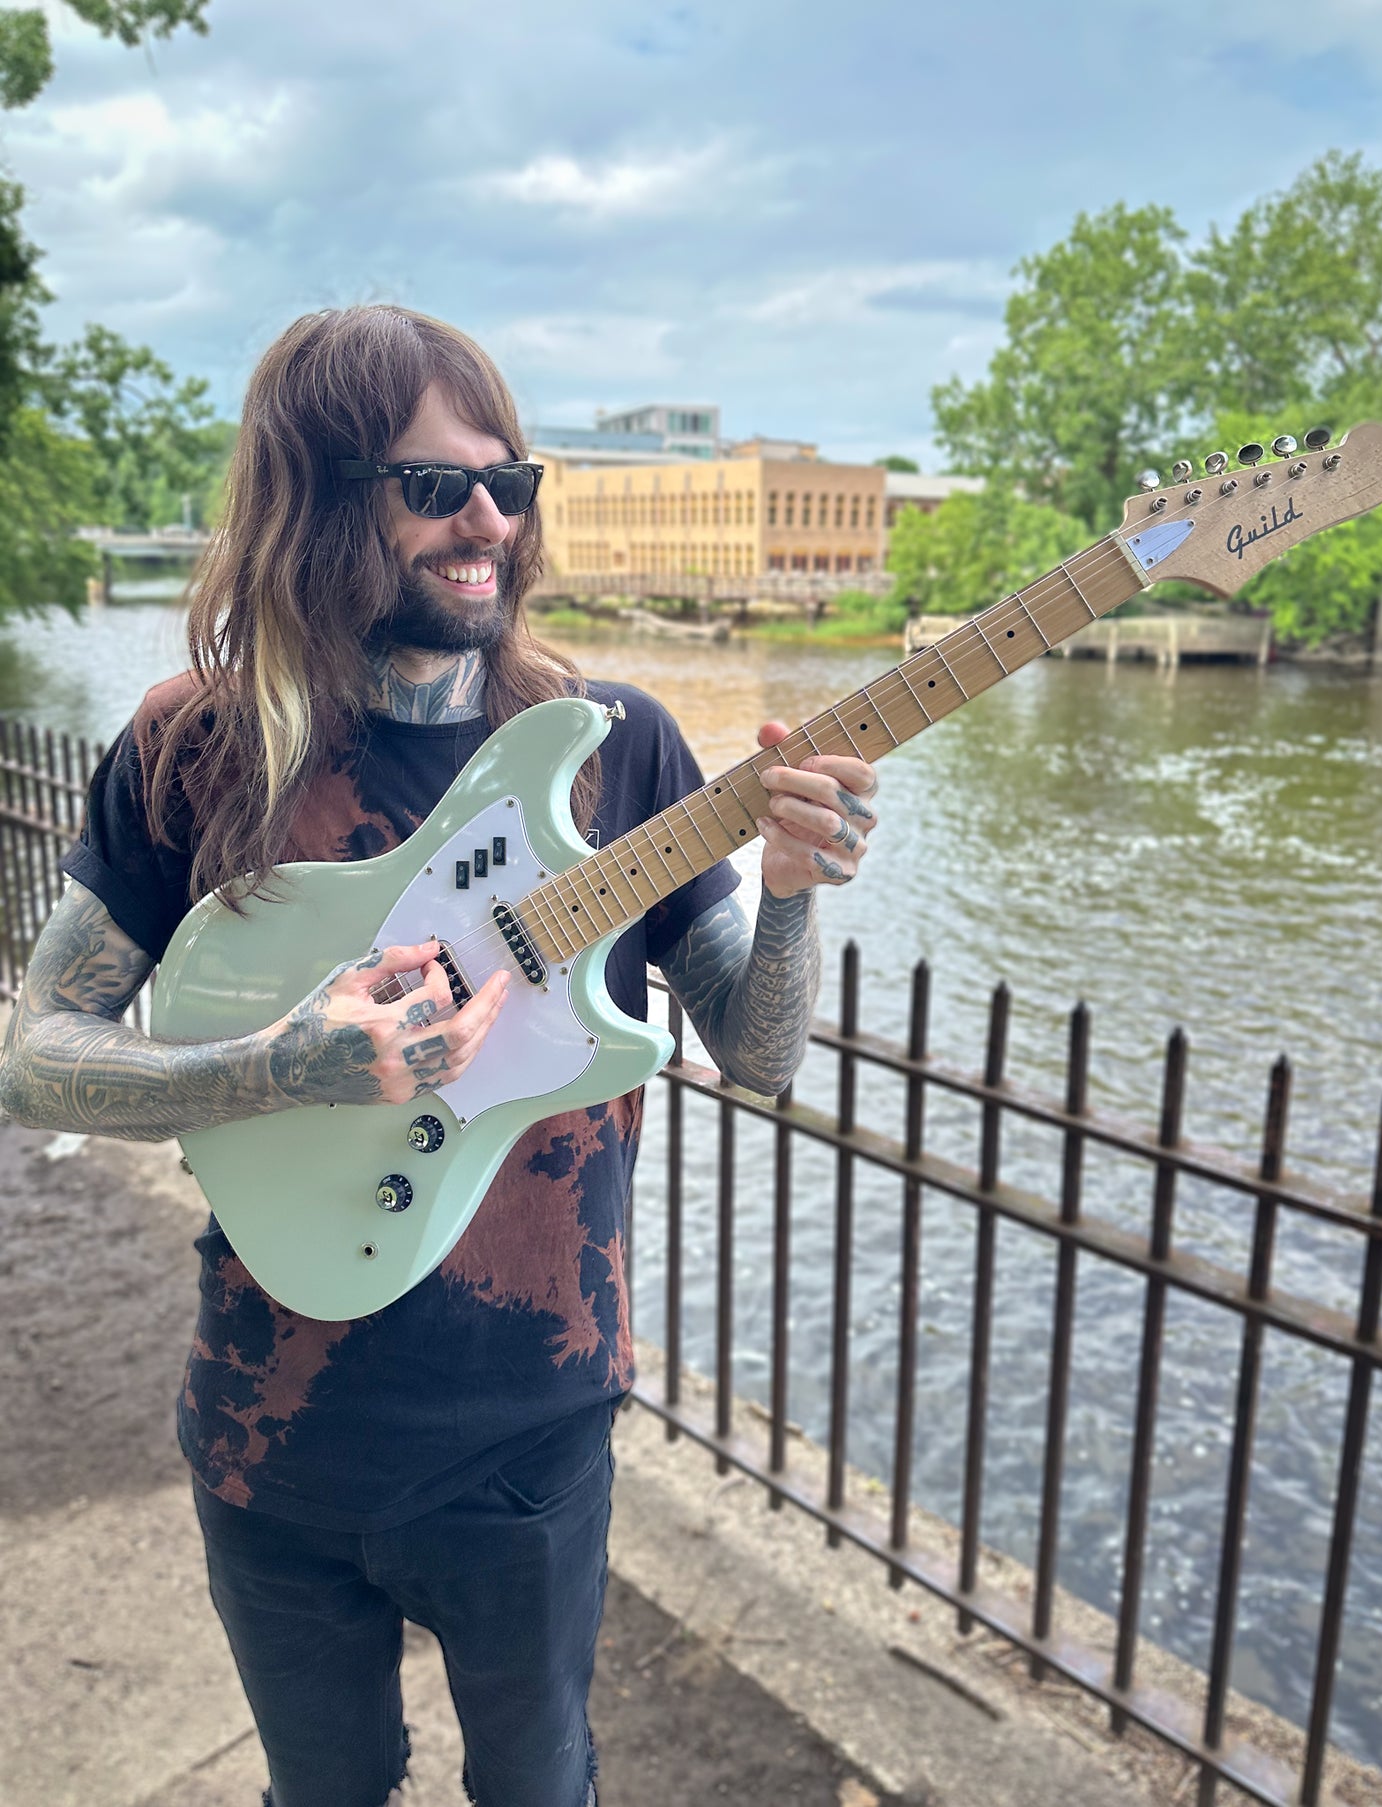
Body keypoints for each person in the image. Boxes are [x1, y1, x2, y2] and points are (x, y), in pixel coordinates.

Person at [0, 305, 879, 1807]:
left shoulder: (614, 745)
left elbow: (758, 1052)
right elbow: (36, 1056)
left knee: (540, 1786)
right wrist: (281, 1067)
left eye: (511, 478)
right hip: (268, 1429)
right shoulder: (193, 747)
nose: (491, 519)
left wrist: (789, 902)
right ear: (314, 497)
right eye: (434, 484)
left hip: (527, 1434)